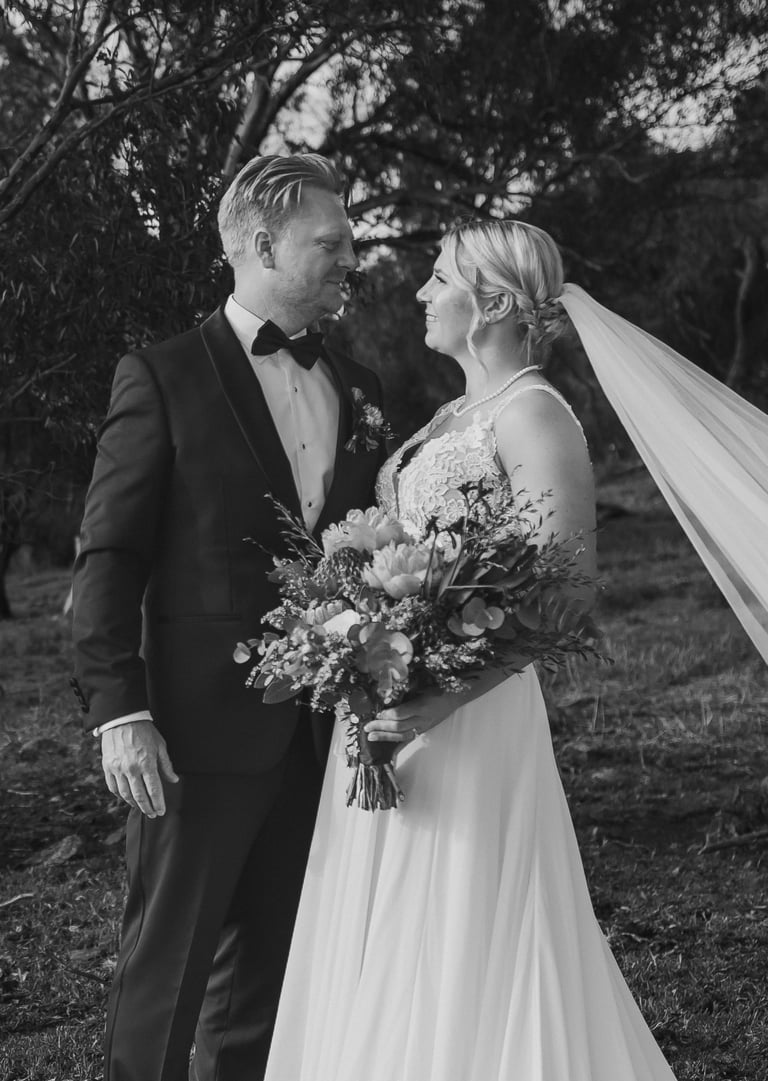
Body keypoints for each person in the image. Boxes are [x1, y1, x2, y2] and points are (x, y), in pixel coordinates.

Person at [263, 216, 764, 1080]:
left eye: (438, 278)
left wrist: (440, 696)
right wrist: (360, 639)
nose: (421, 291)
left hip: (472, 714)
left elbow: (567, 596)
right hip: (398, 704)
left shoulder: (535, 415)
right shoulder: (451, 414)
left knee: (464, 916)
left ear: (492, 303)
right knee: (394, 921)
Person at [70, 153, 387, 1081]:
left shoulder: (361, 385)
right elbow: (108, 556)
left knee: (268, 978)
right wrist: (120, 711)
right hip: (193, 736)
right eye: (331, 242)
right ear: (261, 244)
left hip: (321, 735)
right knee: (165, 972)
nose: (351, 258)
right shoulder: (161, 376)